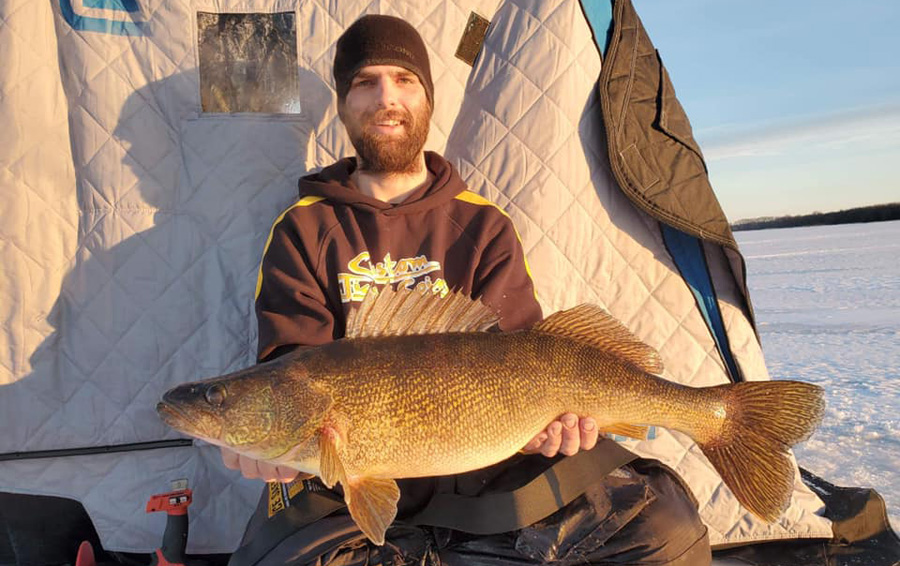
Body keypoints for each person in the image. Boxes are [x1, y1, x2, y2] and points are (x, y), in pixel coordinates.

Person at [223, 14, 711, 566]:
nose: (387, 97)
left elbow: (529, 351)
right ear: (342, 103)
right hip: (344, 484)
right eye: (365, 82)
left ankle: (718, 417)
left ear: (428, 98)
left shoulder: (483, 224)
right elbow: (291, 367)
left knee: (664, 528)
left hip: (490, 476)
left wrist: (549, 431)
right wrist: (271, 449)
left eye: (404, 80)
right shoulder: (302, 228)